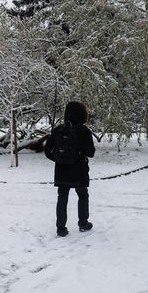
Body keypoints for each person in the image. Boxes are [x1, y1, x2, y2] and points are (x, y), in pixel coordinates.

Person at [44, 101, 96, 237]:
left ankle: (61, 228)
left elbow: (47, 151)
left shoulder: (58, 130)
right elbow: (91, 152)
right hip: (79, 171)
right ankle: (83, 223)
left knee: (62, 197)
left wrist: (59, 159)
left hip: (61, 171)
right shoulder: (84, 131)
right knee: (83, 195)